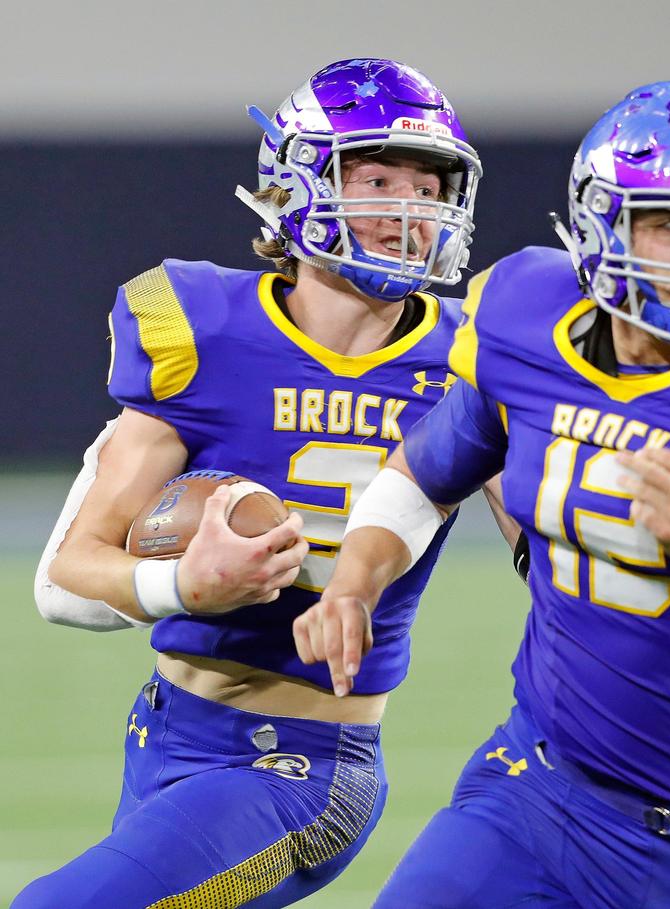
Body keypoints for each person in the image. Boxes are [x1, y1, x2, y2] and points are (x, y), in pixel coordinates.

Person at [292, 80, 670, 908]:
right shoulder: (526, 321)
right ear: (601, 223)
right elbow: (425, 470)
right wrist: (353, 581)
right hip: (537, 789)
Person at [15, 58, 486, 908]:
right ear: (298, 186)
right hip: (166, 731)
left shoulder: (472, 357)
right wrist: (182, 586)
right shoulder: (203, 326)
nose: (409, 211)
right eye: (378, 180)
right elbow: (69, 573)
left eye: (427, 187)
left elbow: (549, 551)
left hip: (303, 764)